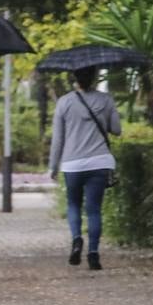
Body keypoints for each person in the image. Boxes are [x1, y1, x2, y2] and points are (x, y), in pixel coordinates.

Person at [48, 67, 121, 271]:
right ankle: (94, 254)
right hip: (99, 162)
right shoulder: (106, 99)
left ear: (75, 79)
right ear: (94, 78)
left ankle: (77, 239)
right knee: (94, 209)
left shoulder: (64, 102)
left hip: (72, 164)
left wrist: (53, 166)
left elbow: (58, 139)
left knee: (73, 205)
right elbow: (116, 130)